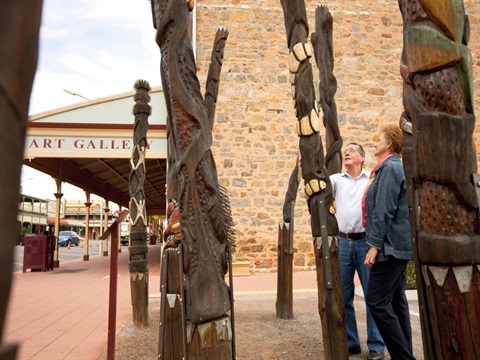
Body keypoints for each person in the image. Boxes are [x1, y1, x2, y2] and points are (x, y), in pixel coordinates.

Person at [363, 123, 415, 360]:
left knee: (376, 300)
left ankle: (404, 357)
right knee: (396, 302)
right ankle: (404, 355)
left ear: (389, 144)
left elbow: (384, 210)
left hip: (390, 248)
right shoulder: (387, 168)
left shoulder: (391, 168)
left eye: (378, 139)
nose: (375, 143)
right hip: (393, 246)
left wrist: (374, 245)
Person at [330, 142, 385, 360]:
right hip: (342, 242)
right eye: (345, 151)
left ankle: (376, 345)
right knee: (344, 297)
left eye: (352, 150)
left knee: (372, 296)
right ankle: (352, 342)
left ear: (362, 157)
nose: (347, 153)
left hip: (365, 243)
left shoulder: (371, 180)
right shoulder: (336, 180)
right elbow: (320, 185)